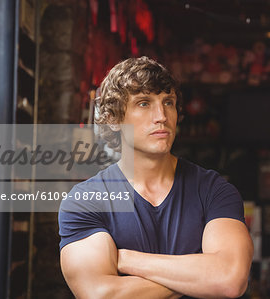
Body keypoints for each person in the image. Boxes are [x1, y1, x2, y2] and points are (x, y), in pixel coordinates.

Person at [58, 56, 253, 299]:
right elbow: (101, 295)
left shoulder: (215, 190)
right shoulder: (86, 202)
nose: (161, 115)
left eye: (168, 102)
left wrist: (128, 260)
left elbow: (229, 280)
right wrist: (200, 276)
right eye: (143, 103)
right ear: (114, 120)